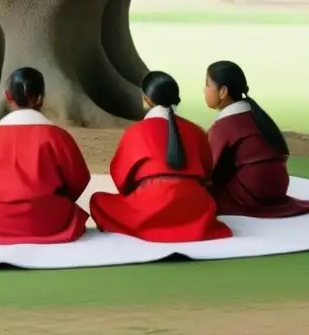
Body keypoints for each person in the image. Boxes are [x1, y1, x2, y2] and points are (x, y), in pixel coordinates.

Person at [89, 71, 232, 243]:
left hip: (152, 204)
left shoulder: (136, 132)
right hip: (192, 207)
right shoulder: (195, 131)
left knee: (99, 201)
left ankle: (154, 227)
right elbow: (207, 172)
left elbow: (122, 181)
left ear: (146, 99)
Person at [0, 67, 91, 245]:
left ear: (8, 97)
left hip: (2, 221)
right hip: (48, 220)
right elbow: (79, 178)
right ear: (42, 97)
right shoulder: (56, 135)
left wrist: (5, 200)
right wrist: (56, 199)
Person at [204, 60, 309, 218]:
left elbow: (208, 169)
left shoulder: (225, 124)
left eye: (207, 85)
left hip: (253, 195)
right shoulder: (254, 114)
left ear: (222, 91)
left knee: (193, 193)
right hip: (278, 189)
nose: (204, 90)